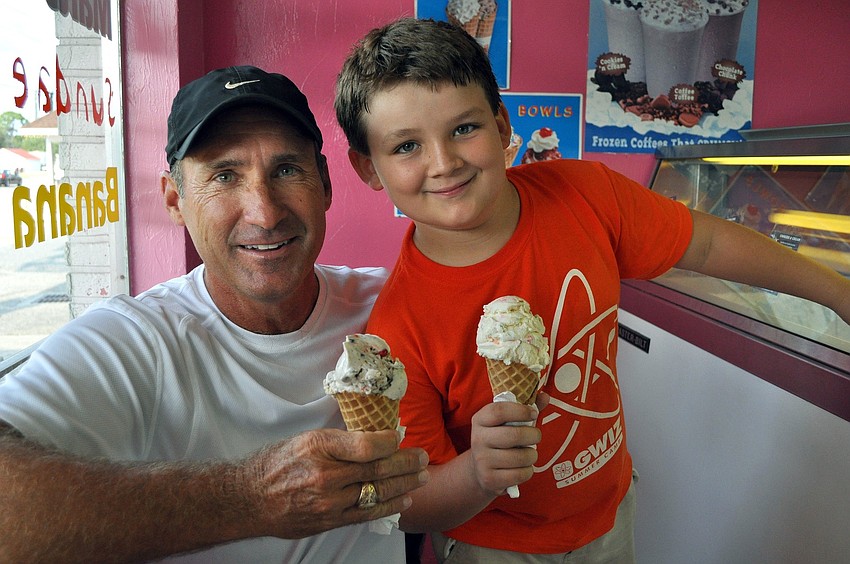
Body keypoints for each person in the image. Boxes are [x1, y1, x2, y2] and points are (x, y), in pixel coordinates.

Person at [334, 17, 850, 563]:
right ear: (369, 168)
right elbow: (411, 500)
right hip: (497, 543)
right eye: (407, 146)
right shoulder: (396, 330)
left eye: (464, 128)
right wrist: (476, 472)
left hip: (609, 510)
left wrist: (835, 292)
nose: (444, 163)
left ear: (502, 124)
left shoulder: (586, 197)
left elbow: (705, 246)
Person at [0, 65, 429, 563]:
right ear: (175, 199)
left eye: (287, 170)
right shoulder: (134, 341)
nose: (265, 213)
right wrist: (249, 498)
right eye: (225, 176)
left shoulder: (396, 302)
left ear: (326, 184)